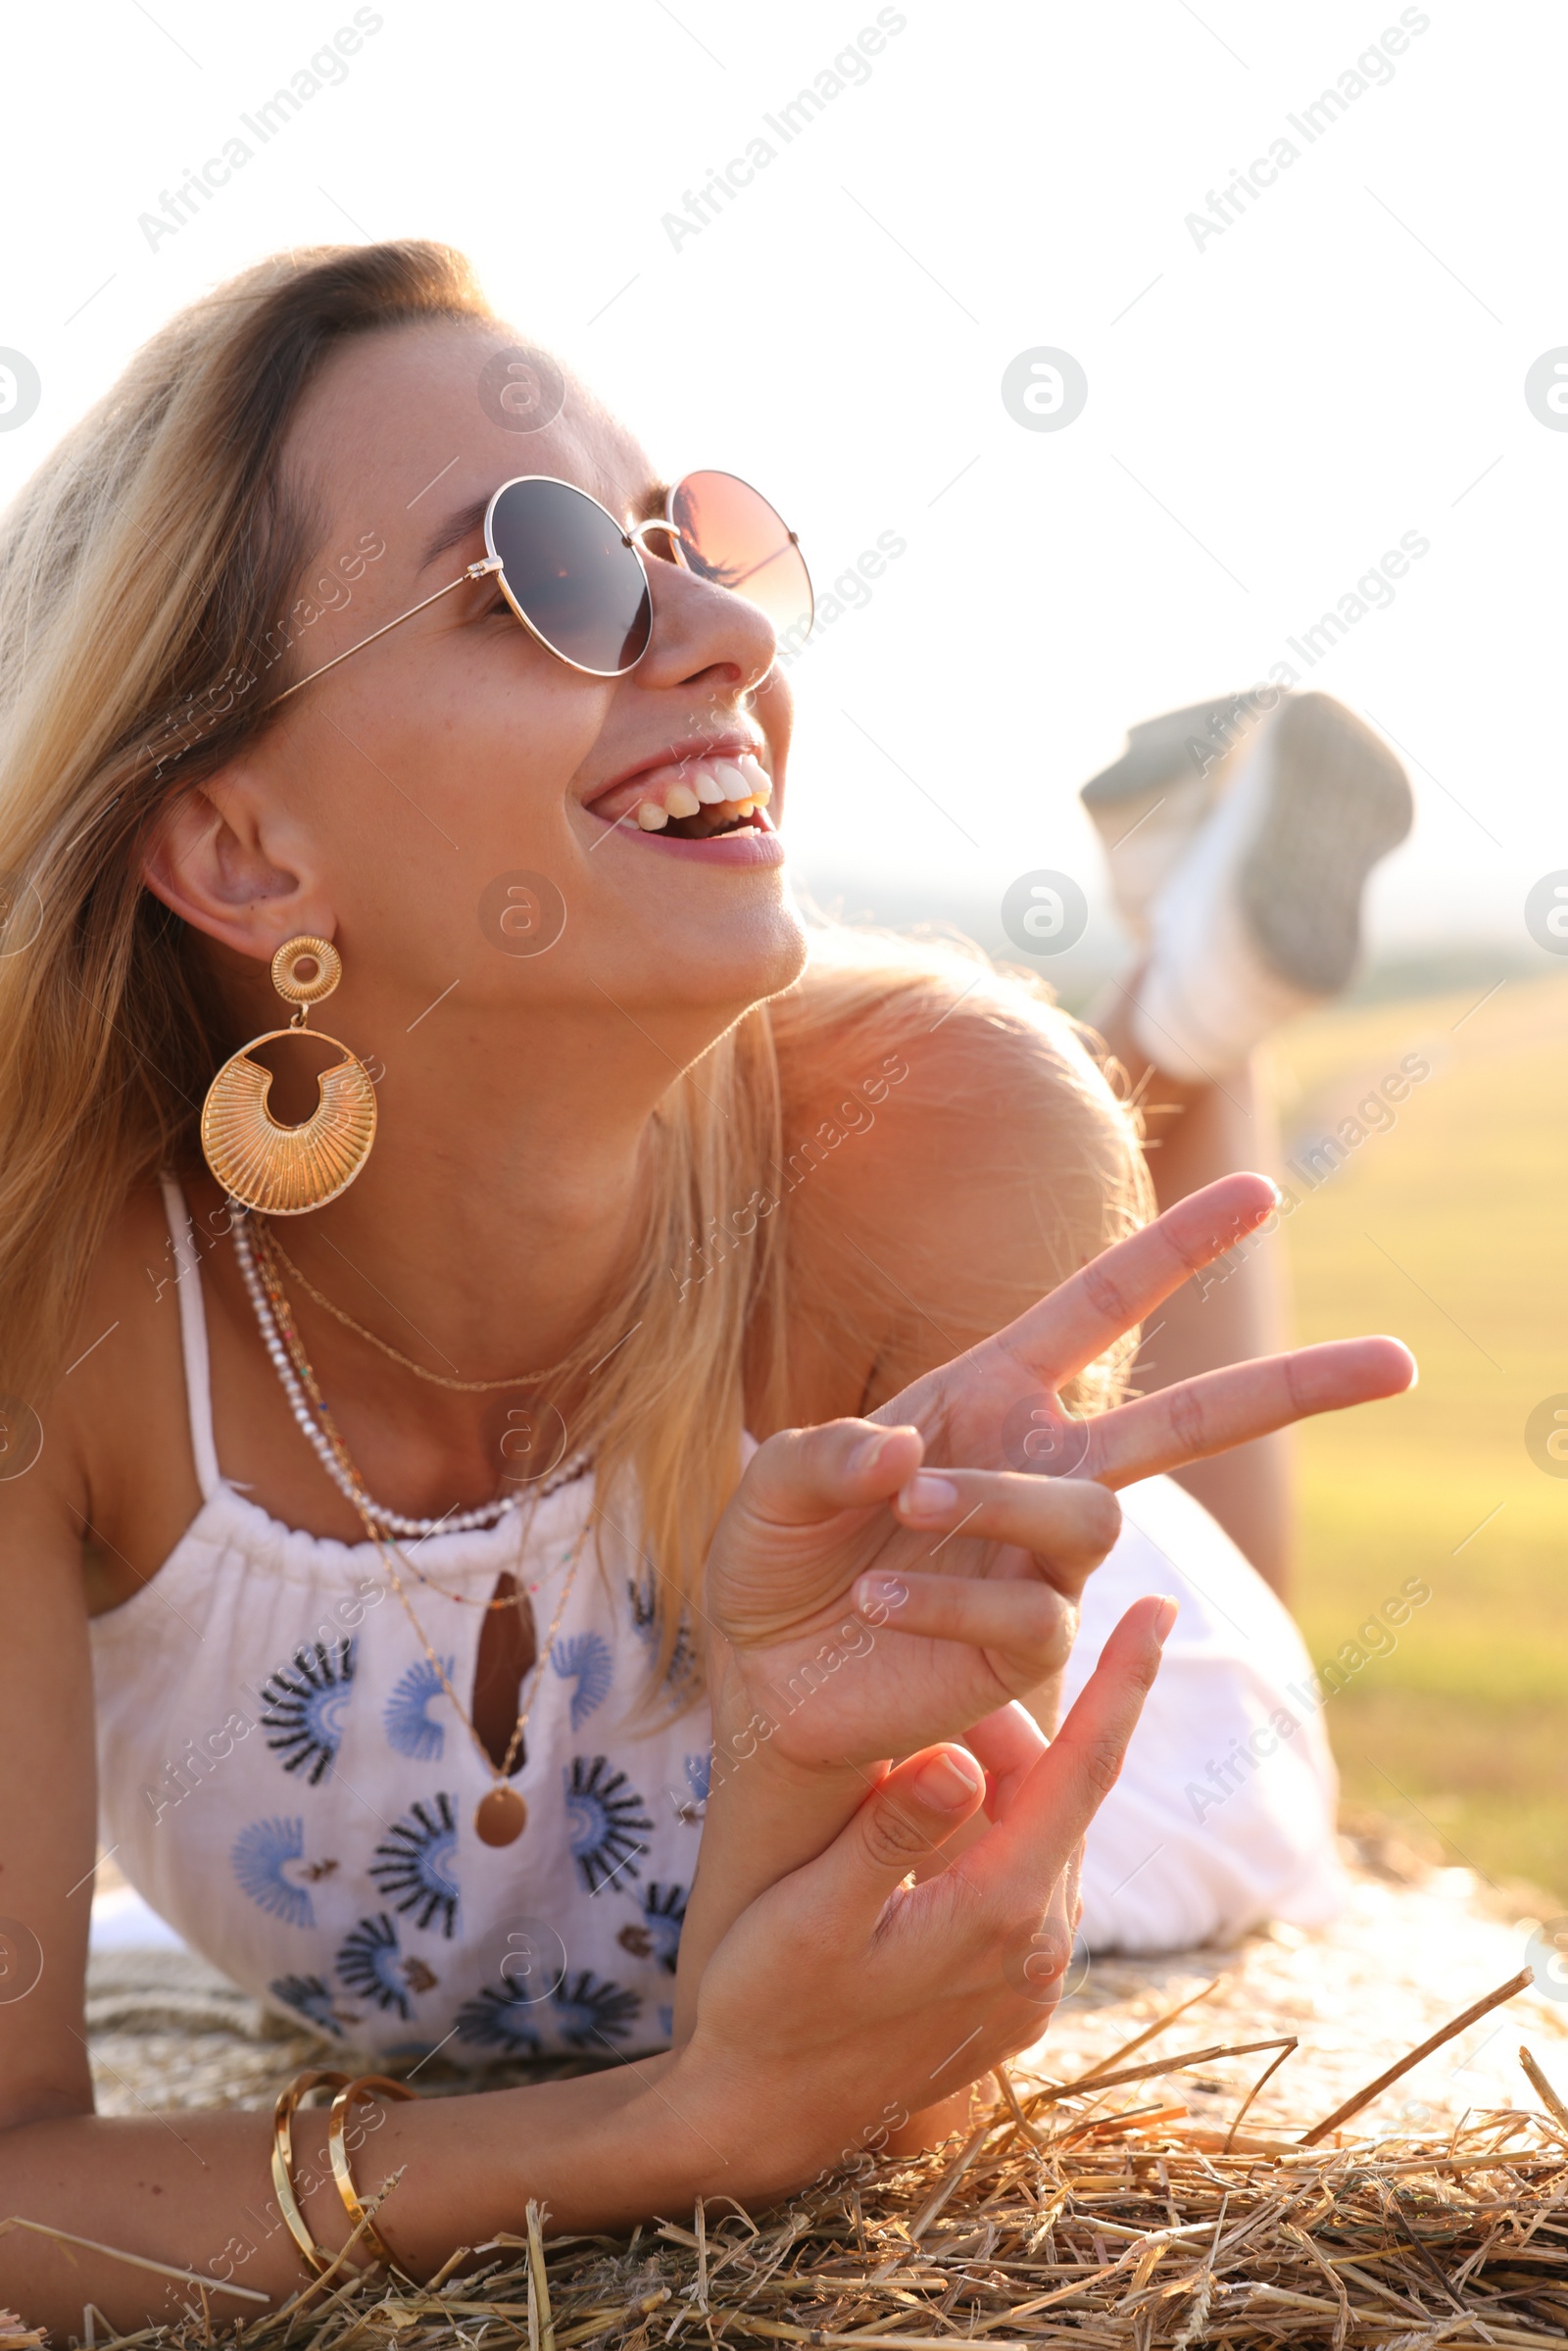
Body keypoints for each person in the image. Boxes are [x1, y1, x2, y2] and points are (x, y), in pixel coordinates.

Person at [0, 237, 1414, 2327]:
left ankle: (1185, 1045)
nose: (722, 624)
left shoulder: (947, 1136)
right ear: (239, 854)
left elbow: (897, 2042)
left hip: (1142, 1737)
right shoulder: (53, 1318)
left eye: (693, 539)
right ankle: (1183, 1003)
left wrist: (792, 1859)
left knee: (1192, 1589)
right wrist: (667, 2131)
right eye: (541, 576)